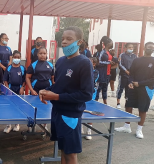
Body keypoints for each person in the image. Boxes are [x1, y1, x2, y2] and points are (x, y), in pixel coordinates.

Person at [39, 26, 93, 164]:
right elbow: (58, 86)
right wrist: (45, 90)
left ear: (79, 42)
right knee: (63, 150)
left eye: (69, 39)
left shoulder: (85, 63)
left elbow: (86, 94)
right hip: (57, 112)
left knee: (71, 155)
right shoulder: (61, 61)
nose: (64, 42)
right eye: (63, 39)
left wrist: (56, 97)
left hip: (70, 115)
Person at [115, 42, 154, 139]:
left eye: (152, 48)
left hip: (146, 88)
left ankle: (139, 129)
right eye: (149, 47)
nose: (150, 49)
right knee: (128, 105)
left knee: (143, 108)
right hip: (133, 87)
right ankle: (127, 126)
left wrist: (140, 83)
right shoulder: (137, 60)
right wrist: (130, 82)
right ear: (144, 48)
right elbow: (131, 73)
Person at [3, 50, 26, 133]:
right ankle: (8, 125)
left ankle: (17, 124)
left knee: (18, 107)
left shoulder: (23, 68)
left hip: (19, 89)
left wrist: (22, 87)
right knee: (9, 107)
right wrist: (7, 89)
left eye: (18, 57)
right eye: (15, 57)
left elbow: (24, 80)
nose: (16, 59)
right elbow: (5, 80)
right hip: (10, 88)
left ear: (20, 58)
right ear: (12, 58)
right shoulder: (9, 68)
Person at [116, 43, 137, 109]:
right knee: (121, 88)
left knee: (129, 89)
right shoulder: (122, 55)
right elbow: (120, 64)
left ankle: (127, 103)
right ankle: (118, 103)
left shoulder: (134, 56)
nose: (131, 49)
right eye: (129, 47)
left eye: (132, 47)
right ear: (126, 48)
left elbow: (136, 64)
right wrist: (126, 71)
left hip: (131, 75)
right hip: (123, 74)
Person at [95, 36, 115, 104]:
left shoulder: (109, 52)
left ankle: (105, 103)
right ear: (107, 44)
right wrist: (108, 62)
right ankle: (95, 101)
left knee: (105, 89)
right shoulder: (102, 52)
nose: (112, 44)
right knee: (99, 88)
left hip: (108, 73)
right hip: (102, 73)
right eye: (111, 43)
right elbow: (99, 61)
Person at [83, 57, 99, 140]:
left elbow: (91, 80)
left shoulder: (96, 72)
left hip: (92, 95)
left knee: (90, 114)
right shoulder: (83, 71)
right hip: (82, 94)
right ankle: (81, 127)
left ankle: (89, 130)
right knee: (81, 110)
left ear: (94, 64)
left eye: (90, 62)